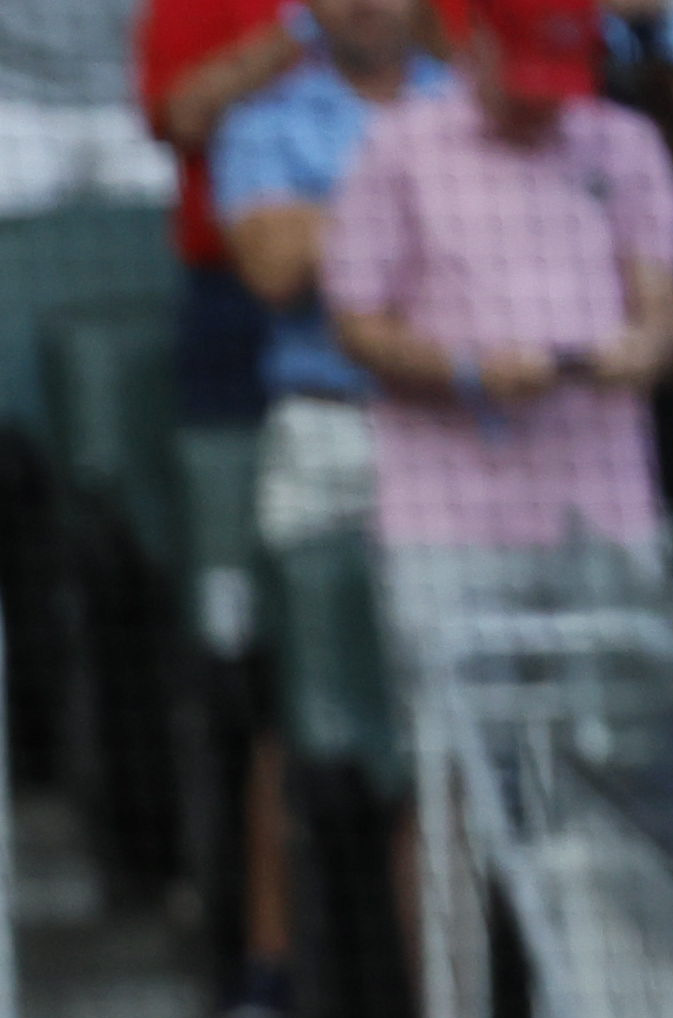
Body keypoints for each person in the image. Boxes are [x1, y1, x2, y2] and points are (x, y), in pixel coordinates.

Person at [323, 0, 673, 665]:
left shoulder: (624, 141)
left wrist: (642, 348)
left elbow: (663, 313)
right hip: (450, 510)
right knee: (461, 747)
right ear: (480, 43)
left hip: (601, 497)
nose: (542, 102)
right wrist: (468, 369)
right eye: (527, 75)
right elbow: (354, 325)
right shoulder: (399, 146)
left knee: (620, 746)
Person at [213, 0, 449, 605]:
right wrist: (431, 212)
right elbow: (272, 267)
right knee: (300, 635)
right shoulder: (265, 118)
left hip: (465, 416)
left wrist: (330, 219)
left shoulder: (471, 101)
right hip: (331, 424)